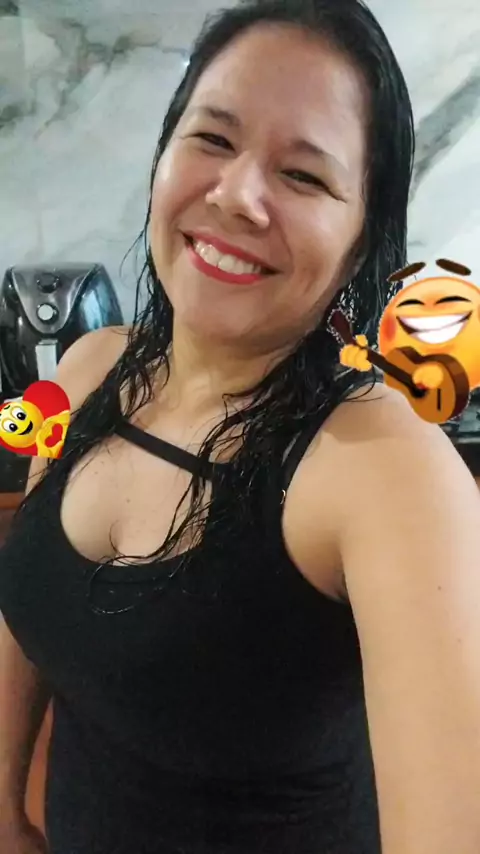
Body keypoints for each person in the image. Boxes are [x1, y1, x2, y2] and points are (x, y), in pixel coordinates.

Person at [1, 0, 480, 852]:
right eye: (213, 139)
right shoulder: (86, 371)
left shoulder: (386, 468)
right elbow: (28, 611)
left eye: (304, 176)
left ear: (362, 236)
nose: (236, 195)